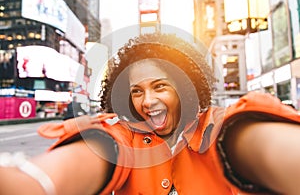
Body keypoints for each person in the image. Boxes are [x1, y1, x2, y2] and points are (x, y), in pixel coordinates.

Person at [1, 30, 300, 195]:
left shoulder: (223, 128)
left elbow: (263, 146)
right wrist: (29, 182)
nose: (147, 100)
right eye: (137, 90)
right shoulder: (120, 137)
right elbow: (89, 156)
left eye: (160, 86)